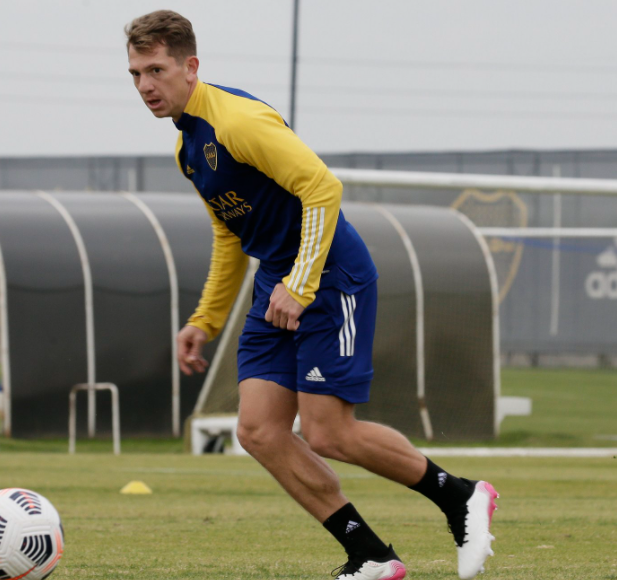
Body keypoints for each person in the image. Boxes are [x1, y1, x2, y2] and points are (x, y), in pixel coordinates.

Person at [125, 10, 499, 580]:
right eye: (135, 73)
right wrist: (205, 319)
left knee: (328, 432)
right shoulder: (188, 150)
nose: (146, 85)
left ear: (190, 66)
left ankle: (461, 496)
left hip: (330, 277)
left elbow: (322, 187)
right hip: (278, 283)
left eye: (156, 69)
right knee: (258, 430)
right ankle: (371, 555)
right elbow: (230, 234)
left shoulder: (238, 122)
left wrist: (301, 284)